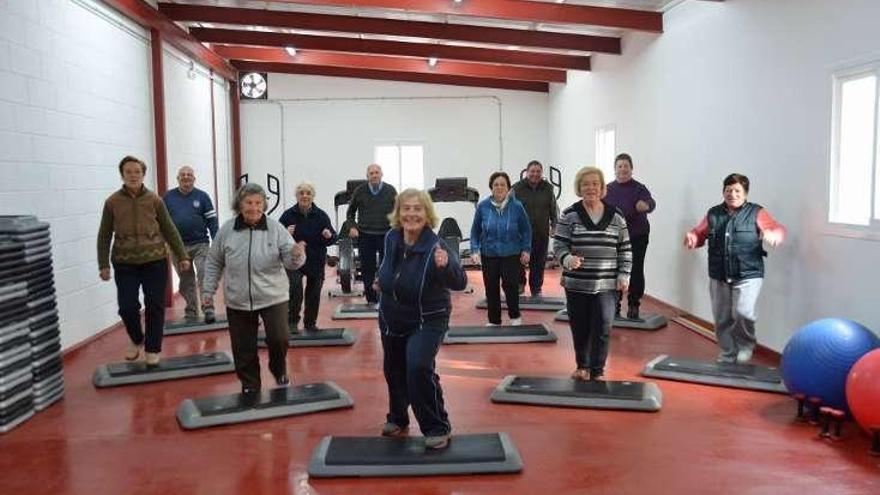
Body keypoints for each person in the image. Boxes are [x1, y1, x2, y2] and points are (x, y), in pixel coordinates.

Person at [376, 188, 467, 450]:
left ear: (427, 214)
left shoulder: (436, 245)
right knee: (394, 371)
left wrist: (446, 265)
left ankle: (437, 425)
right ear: (398, 212)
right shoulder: (392, 238)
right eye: (406, 208)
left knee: (417, 367)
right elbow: (390, 272)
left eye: (417, 208)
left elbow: (459, 282)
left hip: (428, 319)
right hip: (392, 316)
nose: (411, 214)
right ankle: (397, 417)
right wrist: (383, 283)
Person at [202, 183, 306, 396]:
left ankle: (278, 369)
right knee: (243, 347)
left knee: (279, 338)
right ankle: (250, 384)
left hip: (273, 295)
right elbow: (213, 262)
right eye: (249, 203)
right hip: (238, 298)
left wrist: (296, 255)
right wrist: (208, 291)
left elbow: (291, 261)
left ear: (264, 205)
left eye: (258, 203)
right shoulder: (227, 231)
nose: (254, 207)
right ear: (239, 205)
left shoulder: (276, 229)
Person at [97, 155, 191, 366]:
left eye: (137, 172)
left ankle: (152, 348)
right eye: (128, 172)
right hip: (124, 262)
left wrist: (182, 255)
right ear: (122, 174)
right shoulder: (112, 202)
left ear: (143, 174)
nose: (133, 175)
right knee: (127, 307)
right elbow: (104, 235)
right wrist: (102, 264)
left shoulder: (154, 200)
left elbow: (169, 229)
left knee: (154, 305)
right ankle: (137, 339)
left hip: (155, 260)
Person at [684, 173, 786, 364]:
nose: (732, 194)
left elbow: (776, 228)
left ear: (745, 194)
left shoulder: (757, 212)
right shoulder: (713, 214)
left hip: (748, 273)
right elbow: (699, 232)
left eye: (737, 190)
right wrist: (692, 238)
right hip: (719, 273)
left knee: (743, 312)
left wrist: (773, 235)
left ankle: (746, 344)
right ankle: (728, 352)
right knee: (722, 317)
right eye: (728, 190)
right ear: (723, 192)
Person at [553, 166, 632, 381]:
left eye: (595, 183)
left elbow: (625, 247)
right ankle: (582, 366)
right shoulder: (569, 214)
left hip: (607, 284)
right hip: (577, 283)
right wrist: (566, 259)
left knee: (603, 326)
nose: (591, 188)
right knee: (580, 326)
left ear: (602, 187)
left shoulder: (616, 215)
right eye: (586, 184)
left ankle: (598, 370)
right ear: (579, 188)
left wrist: (624, 275)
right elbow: (558, 245)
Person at [470, 171, 532, 326]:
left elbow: (526, 230)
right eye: (496, 184)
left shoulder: (517, 206)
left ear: (508, 187)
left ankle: (515, 317)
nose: (499, 187)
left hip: (511, 253)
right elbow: (475, 231)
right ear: (491, 187)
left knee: (511, 286)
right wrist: (474, 250)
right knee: (491, 288)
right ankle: (494, 320)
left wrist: (526, 249)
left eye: (502, 184)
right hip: (489, 253)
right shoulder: (483, 206)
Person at [163, 165, 220, 324]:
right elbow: (161, 222)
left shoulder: (202, 197)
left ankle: (208, 308)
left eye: (189, 175)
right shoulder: (168, 198)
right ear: (178, 178)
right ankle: (191, 311)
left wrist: (217, 241)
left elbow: (212, 221)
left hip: (201, 243)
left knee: (203, 273)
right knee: (186, 279)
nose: (186, 177)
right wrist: (164, 241)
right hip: (178, 247)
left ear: (194, 178)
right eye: (182, 175)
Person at [278, 182, 337, 332]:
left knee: (314, 292)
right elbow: (276, 239)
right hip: (294, 260)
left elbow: (333, 238)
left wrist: (328, 236)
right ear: (297, 196)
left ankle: (310, 323)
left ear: (312, 196)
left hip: (315, 259)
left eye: (308, 193)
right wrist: (286, 233)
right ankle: (291, 323)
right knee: (295, 288)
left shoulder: (321, 215)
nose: (305, 196)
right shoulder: (287, 215)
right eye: (301, 193)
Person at [604, 153, 656, 320]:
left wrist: (646, 205)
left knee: (636, 269)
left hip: (637, 235)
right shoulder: (607, 189)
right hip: (615, 237)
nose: (623, 169)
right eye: (620, 166)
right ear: (615, 169)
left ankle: (634, 305)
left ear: (631, 169)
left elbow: (651, 202)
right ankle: (615, 305)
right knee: (615, 270)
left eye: (626, 166)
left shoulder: (639, 188)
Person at [346, 164, 397, 306]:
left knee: (386, 267)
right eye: (371, 173)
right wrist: (352, 227)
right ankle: (371, 299)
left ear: (381, 174)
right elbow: (350, 213)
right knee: (367, 269)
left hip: (386, 235)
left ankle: (385, 298)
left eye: (376, 172)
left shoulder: (390, 190)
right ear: (367, 176)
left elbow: (398, 211)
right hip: (365, 235)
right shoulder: (360, 191)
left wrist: (397, 228)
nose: (374, 175)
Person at [512, 160, 559, 298]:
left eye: (538, 171)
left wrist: (554, 225)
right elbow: (509, 208)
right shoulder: (517, 188)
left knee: (538, 263)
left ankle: (536, 289)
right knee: (518, 262)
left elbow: (553, 208)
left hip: (541, 232)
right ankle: (519, 285)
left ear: (541, 173)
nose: (535, 174)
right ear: (527, 172)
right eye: (532, 171)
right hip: (520, 234)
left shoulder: (548, 188)